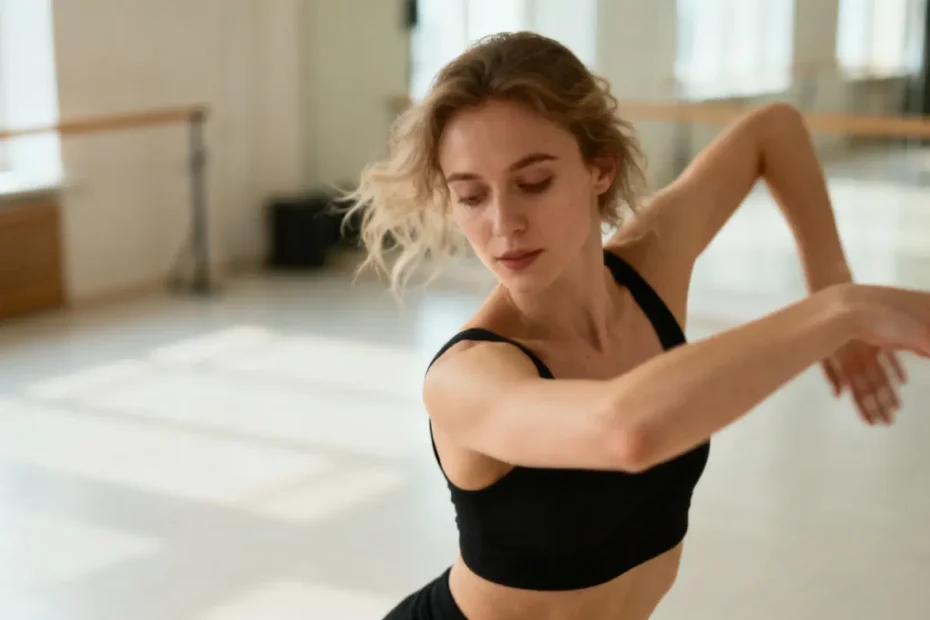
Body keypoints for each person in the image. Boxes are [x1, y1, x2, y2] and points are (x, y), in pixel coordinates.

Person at [343, 32, 929, 620]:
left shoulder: (650, 270)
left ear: (600, 168)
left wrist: (828, 278)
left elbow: (772, 130)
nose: (503, 224)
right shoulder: (466, 376)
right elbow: (626, 433)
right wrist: (841, 311)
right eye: (471, 196)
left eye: (534, 182)